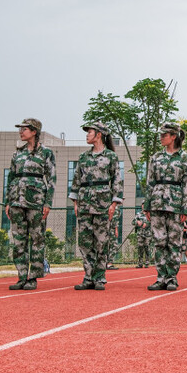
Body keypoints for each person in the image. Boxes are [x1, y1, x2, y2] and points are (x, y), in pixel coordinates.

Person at [70, 121, 122, 290]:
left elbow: (117, 180)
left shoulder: (111, 156)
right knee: (85, 242)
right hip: (85, 203)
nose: (87, 135)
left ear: (99, 134)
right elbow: (77, 180)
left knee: (101, 241)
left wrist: (114, 203)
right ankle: (88, 277)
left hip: (102, 203)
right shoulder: (83, 157)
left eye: (90, 132)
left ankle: (99, 277)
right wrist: (75, 201)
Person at [5, 118, 56, 290]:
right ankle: (21, 276)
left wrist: (47, 202)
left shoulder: (46, 153)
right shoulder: (17, 153)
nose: (21, 131)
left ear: (34, 132)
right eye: (20, 129)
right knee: (18, 240)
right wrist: (8, 201)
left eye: (25, 129)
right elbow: (11, 177)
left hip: (36, 201)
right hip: (16, 200)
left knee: (36, 239)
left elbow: (51, 179)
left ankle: (33, 277)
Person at [145, 122, 187, 292]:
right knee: (159, 242)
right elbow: (150, 181)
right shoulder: (156, 157)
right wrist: (147, 205)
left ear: (173, 137)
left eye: (164, 135)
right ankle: (160, 277)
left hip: (176, 204)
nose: (161, 138)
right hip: (157, 202)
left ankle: (171, 278)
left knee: (174, 242)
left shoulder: (184, 158)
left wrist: (186, 208)